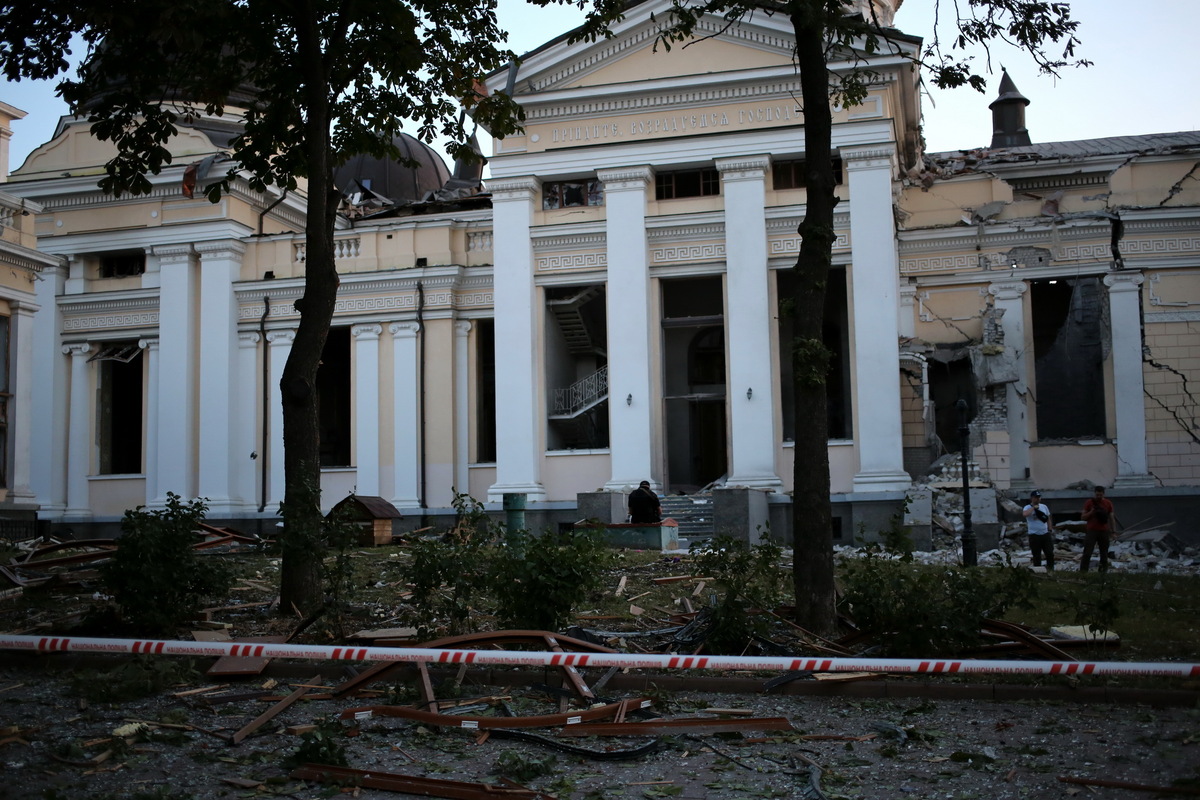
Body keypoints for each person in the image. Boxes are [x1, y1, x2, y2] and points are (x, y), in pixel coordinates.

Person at [1080, 486, 1115, 573]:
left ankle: (1103, 571)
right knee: (1087, 552)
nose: (1099, 496)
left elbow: (1111, 518)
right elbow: (1083, 517)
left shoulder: (1108, 503)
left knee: (1104, 553)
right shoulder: (1089, 502)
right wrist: (1091, 512)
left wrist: (1113, 531)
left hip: (1104, 531)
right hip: (1092, 531)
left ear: (1104, 494)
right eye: (1097, 495)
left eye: (1100, 495)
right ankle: (1083, 571)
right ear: (1095, 493)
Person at [1022, 490, 1054, 570]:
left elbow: (1048, 518)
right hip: (1034, 534)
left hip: (1045, 533)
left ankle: (1050, 568)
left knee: (1049, 552)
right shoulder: (1027, 507)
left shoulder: (1044, 507)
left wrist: (1050, 528)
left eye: (1039, 497)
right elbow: (1025, 514)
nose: (1037, 499)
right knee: (1036, 554)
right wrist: (1033, 508)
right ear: (1032, 498)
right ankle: (1038, 569)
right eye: (1036, 498)